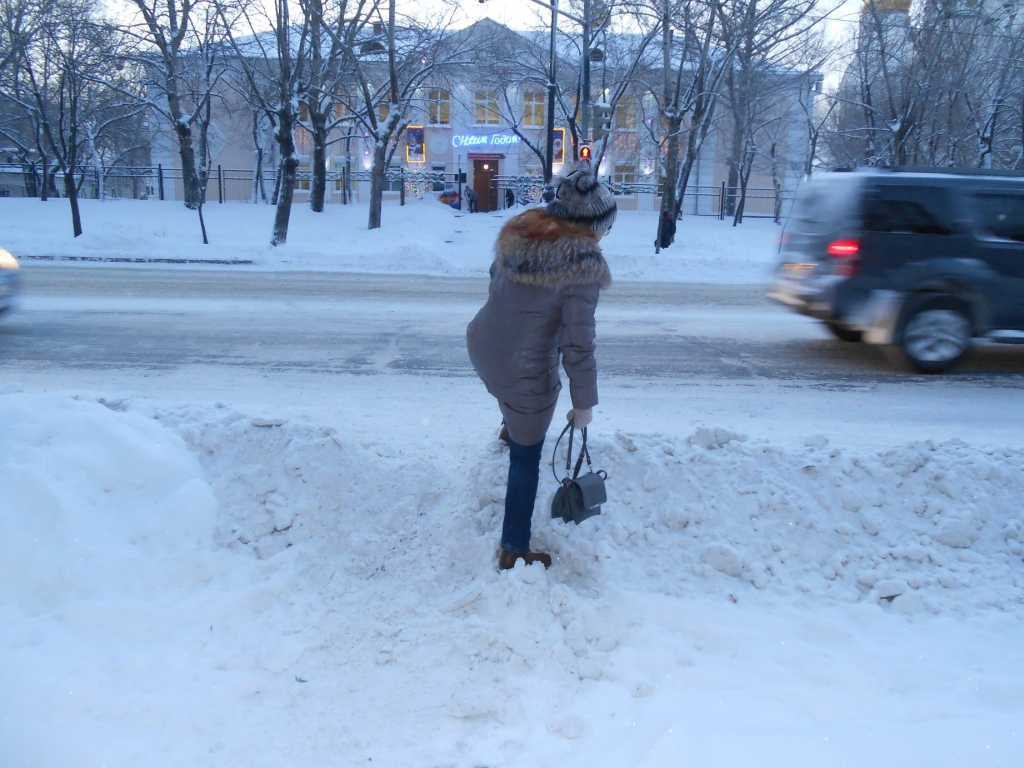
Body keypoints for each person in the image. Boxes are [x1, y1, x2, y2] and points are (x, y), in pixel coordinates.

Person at [466, 162, 617, 570]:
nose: (605, 236)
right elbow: (578, 346)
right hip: (518, 369)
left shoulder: (524, 231)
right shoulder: (581, 268)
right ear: (593, 226)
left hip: (482, 344)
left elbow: (495, 281)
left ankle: (511, 426)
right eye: (605, 228)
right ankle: (514, 547)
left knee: (512, 385)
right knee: (526, 459)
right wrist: (583, 405)